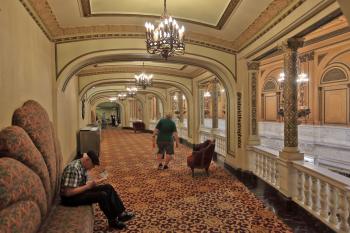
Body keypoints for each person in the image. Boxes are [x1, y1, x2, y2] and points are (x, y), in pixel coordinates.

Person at [60, 151, 134, 230]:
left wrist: (96, 181)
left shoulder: (82, 165)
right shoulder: (73, 168)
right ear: (87, 160)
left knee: (108, 187)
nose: (93, 167)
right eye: (93, 165)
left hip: (78, 191)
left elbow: (80, 183)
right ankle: (112, 221)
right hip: (70, 199)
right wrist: (88, 187)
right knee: (102, 195)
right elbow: (67, 193)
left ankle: (121, 214)